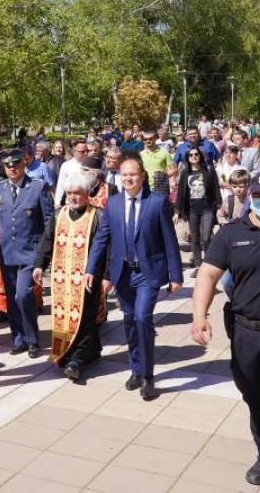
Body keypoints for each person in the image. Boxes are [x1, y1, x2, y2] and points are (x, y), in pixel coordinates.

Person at [191, 171, 260, 490]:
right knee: (257, 399)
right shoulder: (231, 233)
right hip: (246, 334)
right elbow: (208, 275)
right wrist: (199, 316)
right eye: (258, 196)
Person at [86, 158, 182, 400]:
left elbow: (170, 240)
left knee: (142, 318)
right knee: (129, 321)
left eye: (133, 174)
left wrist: (176, 274)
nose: (128, 178)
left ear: (143, 176)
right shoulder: (113, 203)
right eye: (124, 174)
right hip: (123, 273)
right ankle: (136, 369)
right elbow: (101, 239)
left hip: (148, 273)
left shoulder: (157, 202)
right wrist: (91, 269)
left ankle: (148, 376)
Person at [33, 173, 109, 380]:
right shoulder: (59, 214)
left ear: (87, 194)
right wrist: (39, 265)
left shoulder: (98, 216)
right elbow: (47, 241)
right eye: (69, 193)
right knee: (64, 317)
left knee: (84, 317)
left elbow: (108, 248)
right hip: (62, 278)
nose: (72, 197)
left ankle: (76, 359)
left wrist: (107, 276)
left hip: (88, 278)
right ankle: (90, 351)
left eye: (77, 193)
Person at [0, 149, 54, 357]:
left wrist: (44, 256)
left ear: (24, 164)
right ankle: (18, 339)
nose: (12, 168)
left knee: (23, 295)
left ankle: (32, 339)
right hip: (7, 253)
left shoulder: (38, 187)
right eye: (7, 165)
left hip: (30, 253)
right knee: (12, 299)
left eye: (16, 164)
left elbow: (49, 222)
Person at [176, 147, 222, 275]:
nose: (194, 156)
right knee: (195, 239)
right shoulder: (185, 172)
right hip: (192, 210)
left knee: (206, 238)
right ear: (187, 157)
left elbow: (216, 188)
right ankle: (198, 265)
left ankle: (208, 263)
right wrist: (177, 211)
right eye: (191, 155)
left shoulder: (208, 170)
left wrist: (219, 205)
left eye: (196, 154)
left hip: (207, 208)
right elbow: (181, 192)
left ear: (200, 155)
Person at [54, 138, 87, 206]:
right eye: (82, 152)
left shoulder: (91, 165)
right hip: (70, 204)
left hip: (87, 204)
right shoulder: (66, 166)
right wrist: (57, 204)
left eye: (87, 151)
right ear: (74, 152)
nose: (85, 154)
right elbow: (61, 186)